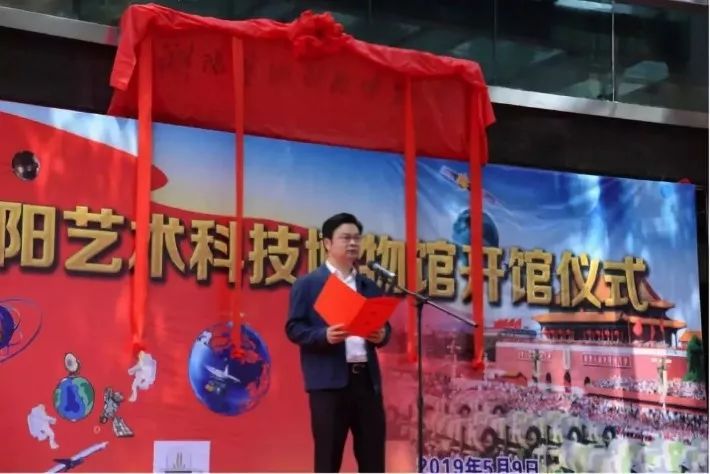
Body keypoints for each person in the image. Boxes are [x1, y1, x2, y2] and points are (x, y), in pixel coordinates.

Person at [285, 212, 391, 473]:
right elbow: (294, 328)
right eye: (345, 238)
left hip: (366, 383)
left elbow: (385, 325)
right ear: (327, 243)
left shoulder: (368, 286)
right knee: (328, 460)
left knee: (373, 459)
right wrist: (324, 335)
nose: (353, 243)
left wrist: (382, 335)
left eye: (357, 238)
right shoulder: (309, 284)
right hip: (329, 385)